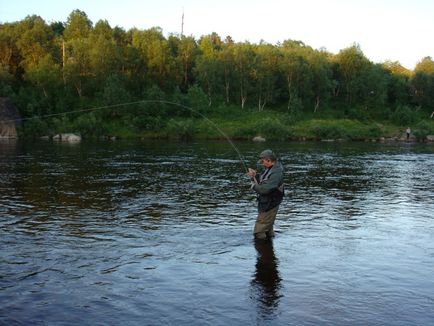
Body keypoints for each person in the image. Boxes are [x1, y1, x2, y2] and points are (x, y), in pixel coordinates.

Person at [247, 149, 284, 240]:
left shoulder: (277, 173)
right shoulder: (271, 168)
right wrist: (254, 176)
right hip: (268, 202)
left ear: (269, 160)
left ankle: (263, 252)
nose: (262, 164)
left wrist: (253, 186)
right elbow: (265, 181)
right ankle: (268, 251)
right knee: (267, 229)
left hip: (270, 203)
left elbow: (265, 189)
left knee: (259, 232)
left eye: (263, 161)